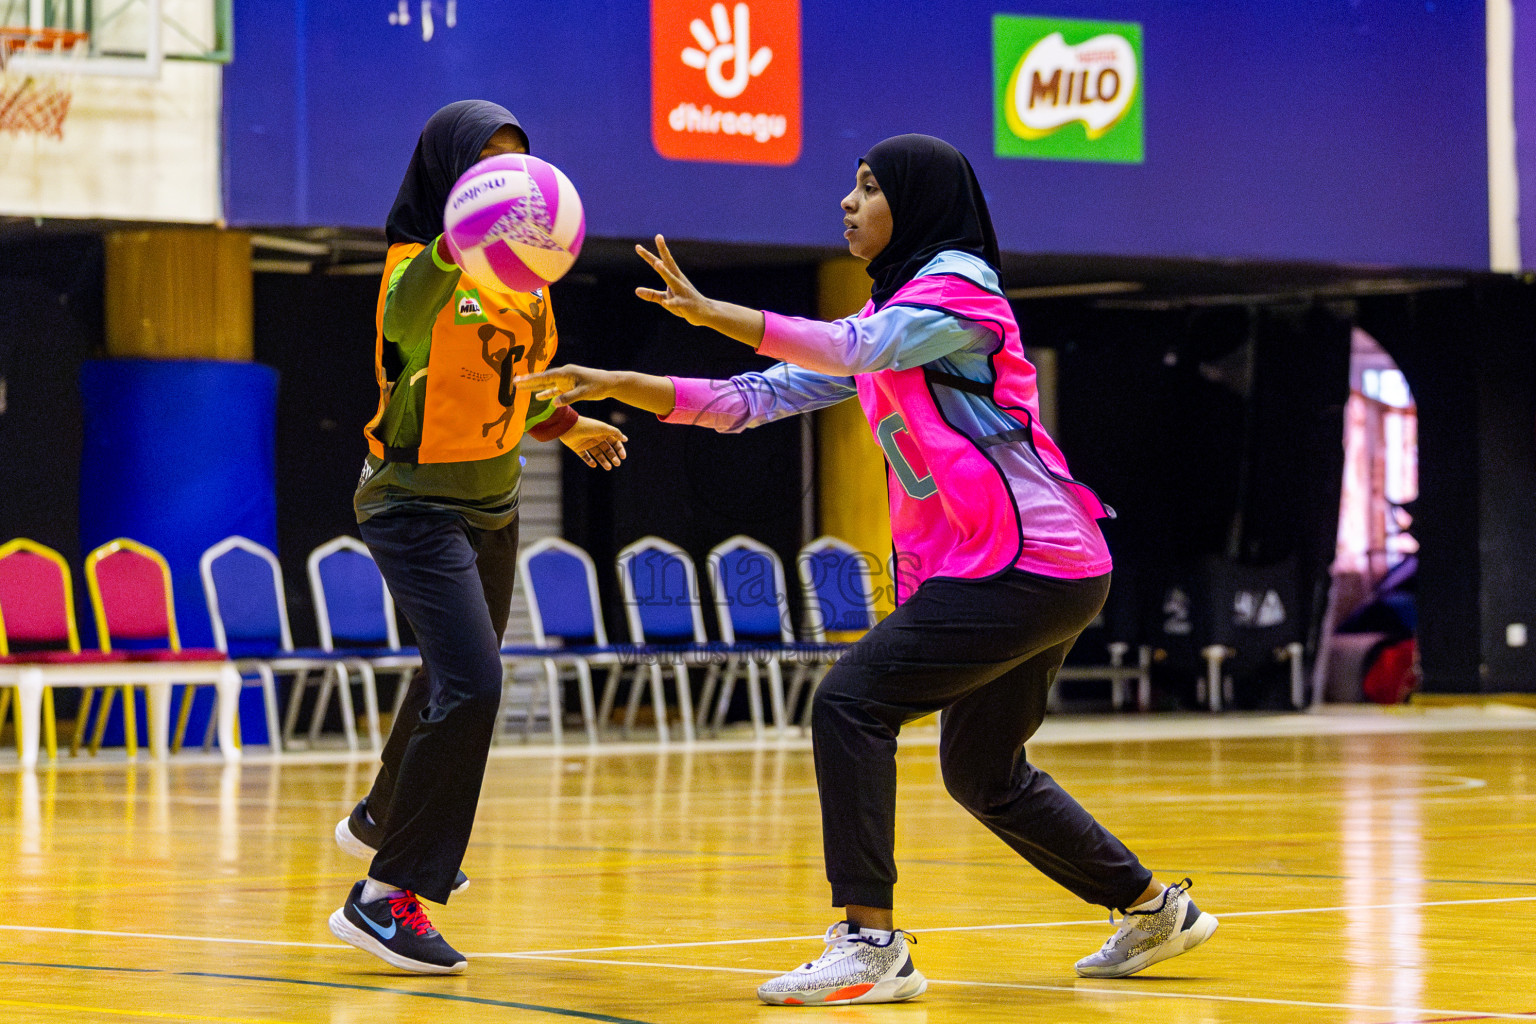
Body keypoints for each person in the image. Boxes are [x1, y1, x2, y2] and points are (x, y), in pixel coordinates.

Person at [515, 134, 1216, 1005]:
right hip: (1037, 565)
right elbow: (753, 399)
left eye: (869, 187)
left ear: (917, 203)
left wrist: (712, 312)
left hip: (1029, 558)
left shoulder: (958, 289)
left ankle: (869, 942)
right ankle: (1152, 907)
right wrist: (618, 379)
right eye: (850, 188)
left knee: (849, 700)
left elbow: (850, 348)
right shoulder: (896, 325)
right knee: (982, 772)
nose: (848, 203)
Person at [326, 100, 628, 976]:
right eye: (485, 168)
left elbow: (518, 384)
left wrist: (566, 423)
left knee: (452, 678)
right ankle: (387, 896)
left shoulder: (531, 284)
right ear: (450, 178)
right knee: (476, 682)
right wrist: (466, 237)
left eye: (515, 165)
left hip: (494, 508)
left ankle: (385, 814)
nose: (506, 183)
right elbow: (410, 323)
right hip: (410, 507)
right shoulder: (410, 273)